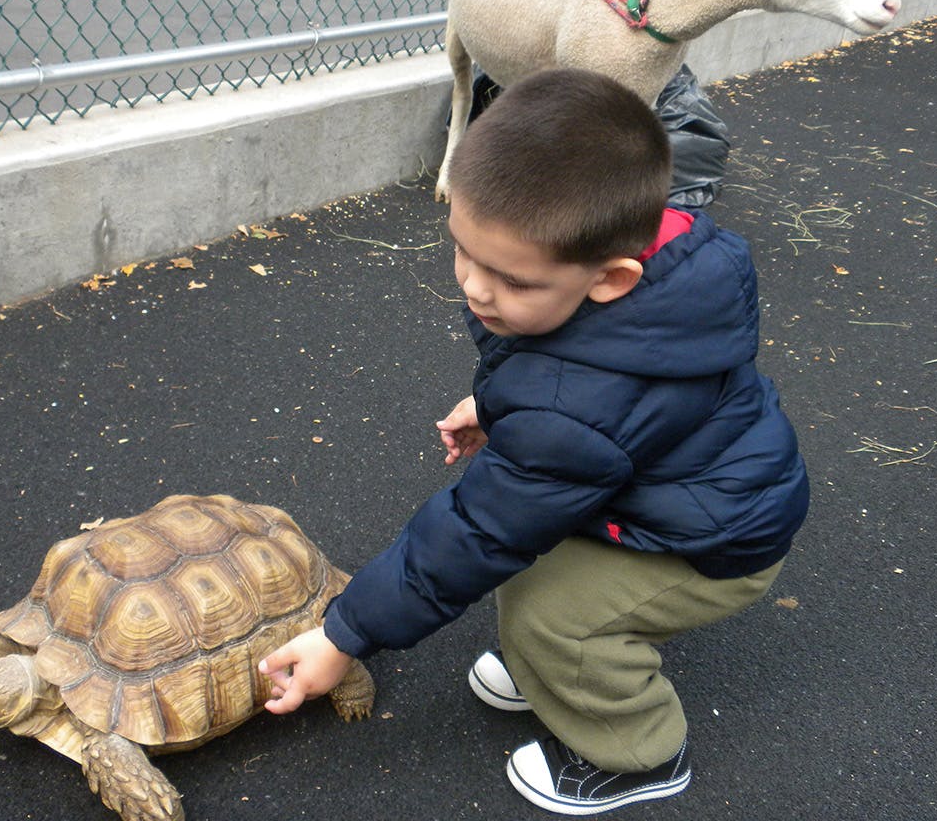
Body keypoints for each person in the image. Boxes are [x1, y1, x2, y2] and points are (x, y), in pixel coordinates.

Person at [259, 67, 809, 815]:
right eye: (462, 251)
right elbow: (565, 383)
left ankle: (639, 752)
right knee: (539, 581)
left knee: (554, 615)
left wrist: (345, 634)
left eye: (510, 280)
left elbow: (480, 528)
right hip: (675, 492)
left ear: (610, 280)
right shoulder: (659, 270)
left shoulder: (578, 409)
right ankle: (560, 672)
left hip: (712, 546)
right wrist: (494, 404)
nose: (476, 289)